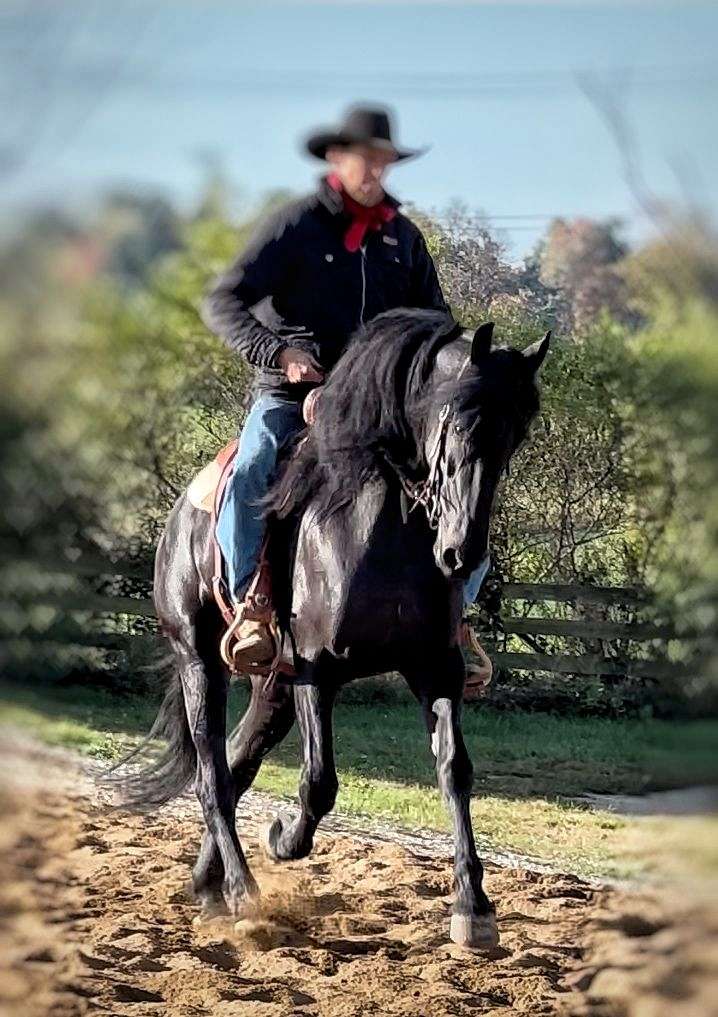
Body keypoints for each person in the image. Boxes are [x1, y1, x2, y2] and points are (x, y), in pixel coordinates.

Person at [201, 104, 492, 694]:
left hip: (380, 408)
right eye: (367, 158)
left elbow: (437, 325)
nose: (376, 170)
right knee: (254, 463)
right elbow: (224, 301)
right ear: (338, 158)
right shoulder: (295, 225)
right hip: (291, 391)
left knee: (466, 473)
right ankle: (252, 606)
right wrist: (281, 356)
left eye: (384, 161)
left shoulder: (402, 239)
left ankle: (455, 618)